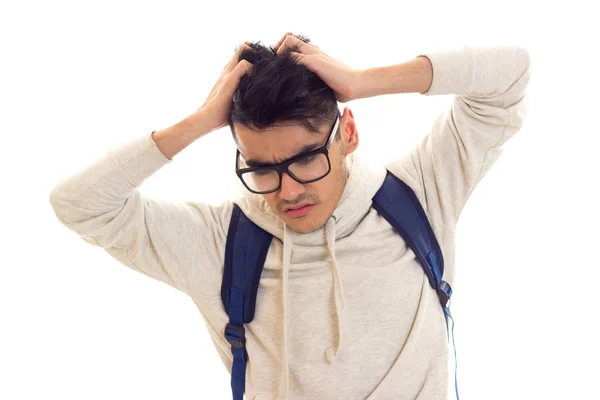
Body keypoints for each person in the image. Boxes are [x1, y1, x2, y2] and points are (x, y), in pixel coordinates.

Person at [49, 32, 531, 399]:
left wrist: (362, 82)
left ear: (348, 132)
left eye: (305, 159)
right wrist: (198, 121)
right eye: (262, 169)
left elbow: (509, 75)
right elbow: (79, 205)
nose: (289, 190)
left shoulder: (420, 192)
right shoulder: (220, 241)